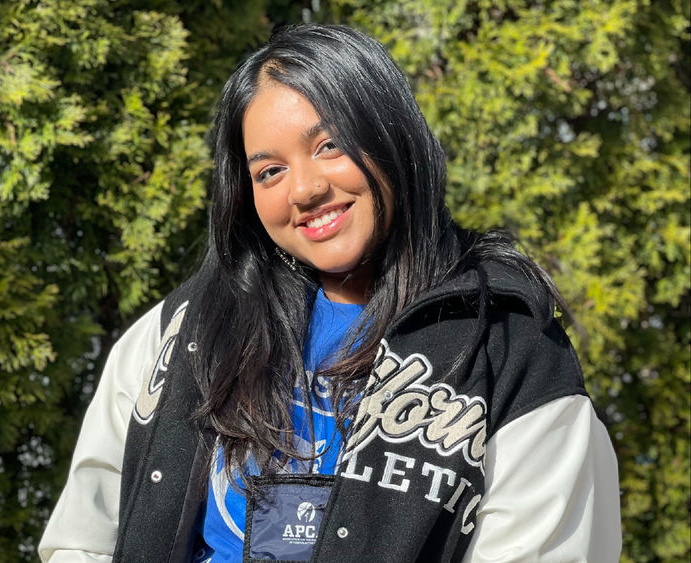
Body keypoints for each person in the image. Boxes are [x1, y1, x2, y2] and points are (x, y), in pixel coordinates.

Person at [39, 24, 621, 562]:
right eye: (269, 172)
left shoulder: (509, 352)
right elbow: (82, 540)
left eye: (330, 146)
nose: (306, 189)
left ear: (393, 137)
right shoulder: (184, 332)